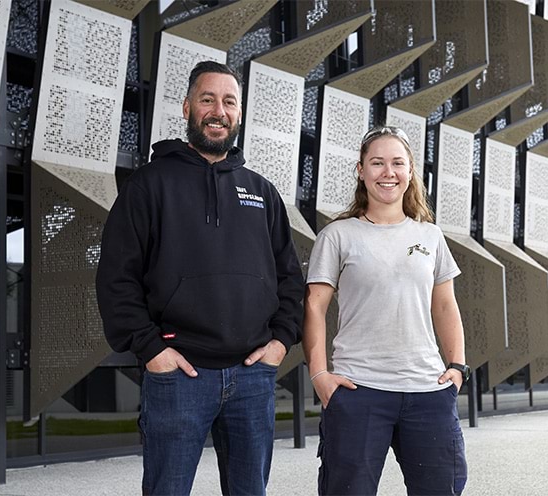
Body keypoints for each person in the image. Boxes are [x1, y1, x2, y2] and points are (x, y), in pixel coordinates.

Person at [96, 61, 305, 496]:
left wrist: (280, 343)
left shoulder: (262, 191)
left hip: (252, 376)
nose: (218, 110)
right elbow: (117, 277)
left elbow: (289, 278)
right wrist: (151, 349)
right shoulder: (148, 185)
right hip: (178, 374)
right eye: (207, 99)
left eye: (229, 102)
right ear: (188, 106)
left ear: (240, 113)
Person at [303, 125, 469, 495]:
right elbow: (314, 306)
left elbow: (445, 304)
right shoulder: (338, 235)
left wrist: (456, 366)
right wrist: (319, 375)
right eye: (377, 163)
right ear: (361, 170)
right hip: (358, 390)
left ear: (410, 171)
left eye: (397, 163)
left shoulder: (430, 236)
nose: (387, 172)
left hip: (428, 391)